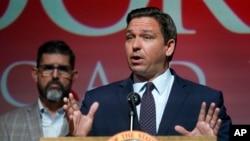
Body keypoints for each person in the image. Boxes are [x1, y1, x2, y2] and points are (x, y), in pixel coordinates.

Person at [63, 7, 232, 141]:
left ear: (169, 47)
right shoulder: (98, 102)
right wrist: (77, 140)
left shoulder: (206, 101)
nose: (135, 45)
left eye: (147, 37)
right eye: (129, 37)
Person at [0, 40, 79, 141]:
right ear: (35, 74)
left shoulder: (91, 120)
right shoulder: (6, 124)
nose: (55, 75)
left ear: (73, 76)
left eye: (63, 69)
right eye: (47, 68)